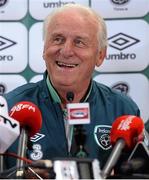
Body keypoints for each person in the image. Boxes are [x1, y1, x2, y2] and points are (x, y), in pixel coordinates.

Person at [3, 3, 140, 178]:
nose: (66, 51)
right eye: (58, 39)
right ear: (44, 49)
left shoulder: (123, 110)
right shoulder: (8, 109)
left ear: (100, 55)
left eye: (79, 42)